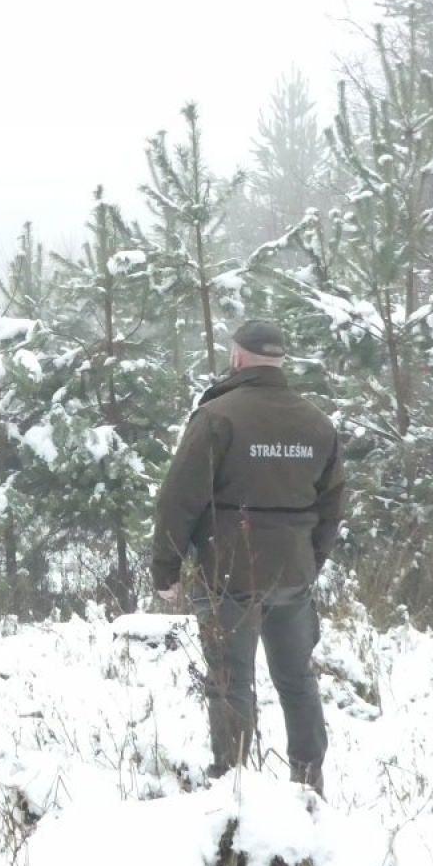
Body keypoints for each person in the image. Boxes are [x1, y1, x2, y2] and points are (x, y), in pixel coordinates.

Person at [150, 319, 345, 797]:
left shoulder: (218, 417)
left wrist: (166, 568)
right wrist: (310, 560)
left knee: (231, 680)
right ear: (280, 360)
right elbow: (332, 505)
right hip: (294, 573)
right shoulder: (317, 422)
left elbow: (179, 498)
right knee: (297, 678)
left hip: (229, 571)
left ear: (237, 358)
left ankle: (234, 785)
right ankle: (308, 779)